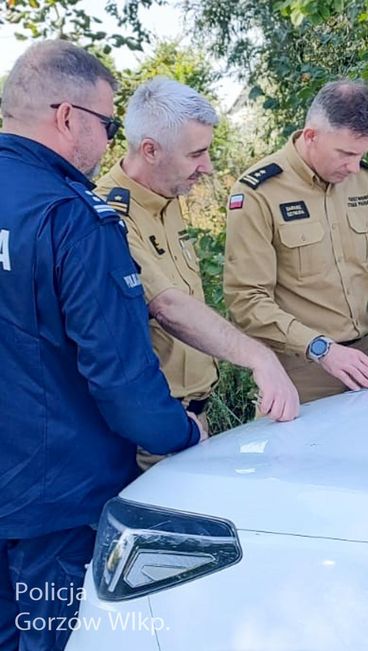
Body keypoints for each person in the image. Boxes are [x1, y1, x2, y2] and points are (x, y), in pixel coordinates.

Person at [0, 41, 206, 651]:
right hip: (60, 502)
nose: (109, 140)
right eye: (108, 123)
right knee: (57, 637)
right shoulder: (72, 217)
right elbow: (122, 379)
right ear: (67, 117)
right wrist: (184, 435)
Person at [95, 77, 299, 467]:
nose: (207, 167)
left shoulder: (168, 196)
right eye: (195, 154)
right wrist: (261, 358)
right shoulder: (109, 216)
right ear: (150, 150)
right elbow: (168, 306)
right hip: (150, 433)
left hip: (193, 421)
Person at [223, 79, 368, 403]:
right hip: (300, 372)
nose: (353, 167)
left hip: (365, 362)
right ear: (311, 135)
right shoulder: (259, 192)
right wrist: (320, 347)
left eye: (361, 155)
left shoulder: (363, 181)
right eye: (345, 154)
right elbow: (247, 300)